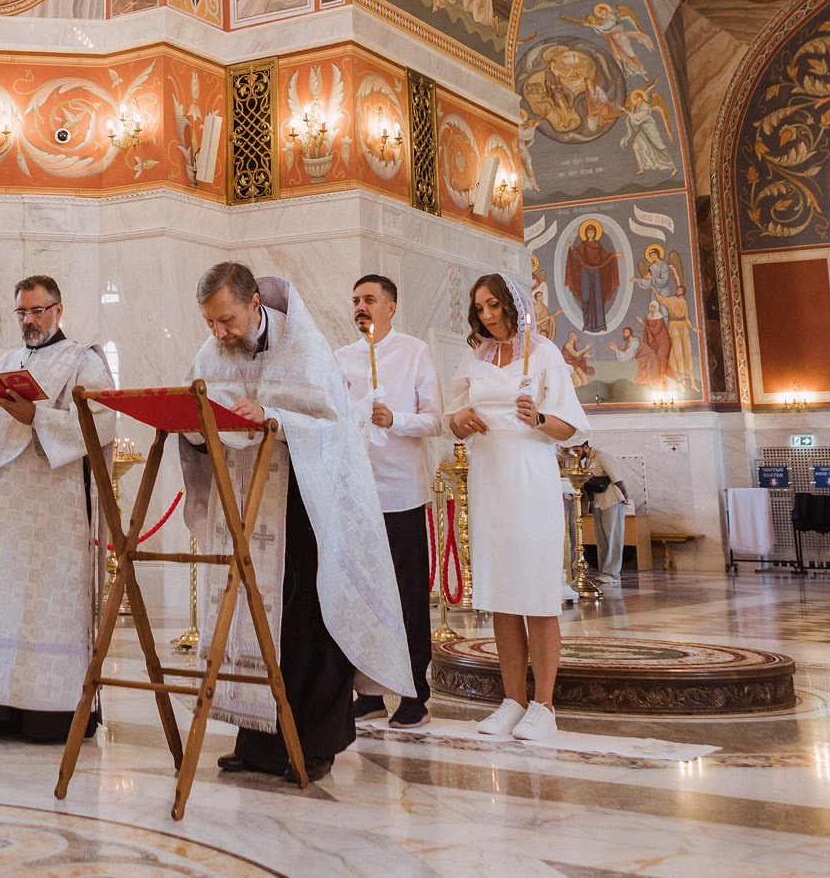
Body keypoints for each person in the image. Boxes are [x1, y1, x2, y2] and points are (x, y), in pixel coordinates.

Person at [185, 262, 412, 782]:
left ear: (254, 306)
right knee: (252, 621)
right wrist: (197, 426)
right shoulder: (209, 353)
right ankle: (259, 741)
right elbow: (195, 411)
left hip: (304, 506)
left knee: (307, 625)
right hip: (246, 505)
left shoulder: (305, 349)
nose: (219, 334)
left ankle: (314, 743)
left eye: (227, 321)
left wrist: (272, 417)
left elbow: (332, 427)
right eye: (210, 323)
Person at [0, 274, 116, 742]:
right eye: (22, 312)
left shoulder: (84, 362)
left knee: (50, 604)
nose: (29, 320)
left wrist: (37, 416)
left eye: (37, 311)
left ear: (58, 310)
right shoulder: (3, 361)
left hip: (56, 504)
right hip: (4, 500)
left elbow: (103, 420)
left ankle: (53, 712)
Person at [446, 271, 587, 742]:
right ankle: (512, 700)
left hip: (531, 478)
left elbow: (570, 425)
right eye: (479, 308)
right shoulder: (476, 356)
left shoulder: (543, 353)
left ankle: (544, 706)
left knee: (537, 596)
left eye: (493, 306)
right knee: (503, 596)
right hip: (490, 480)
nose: (486, 316)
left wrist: (540, 417)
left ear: (512, 305)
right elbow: (454, 416)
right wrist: (461, 421)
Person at [333, 273, 442, 728]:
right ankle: (369, 691)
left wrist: (393, 418)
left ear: (391, 307)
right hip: (358, 495)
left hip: (401, 494)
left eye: (370, 299)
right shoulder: (341, 359)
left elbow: (435, 420)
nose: (361, 307)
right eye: (356, 299)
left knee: (408, 596)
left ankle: (415, 691)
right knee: (363, 595)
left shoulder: (415, 352)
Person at [575, 438, 628, 590]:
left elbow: (616, 477)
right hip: (599, 503)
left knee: (613, 537)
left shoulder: (602, 456)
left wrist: (625, 494)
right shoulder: (586, 461)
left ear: (585, 447)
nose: (576, 455)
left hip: (612, 500)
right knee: (601, 538)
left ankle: (613, 573)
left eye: (578, 451)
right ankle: (604, 571)